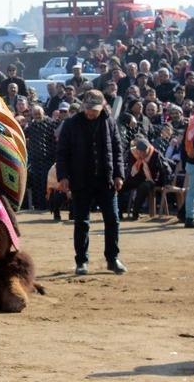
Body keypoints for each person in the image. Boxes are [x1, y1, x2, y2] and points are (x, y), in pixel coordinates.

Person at [56, 90, 127, 276]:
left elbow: (118, 150)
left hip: (106, 179)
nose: (91, 113)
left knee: (112, 220)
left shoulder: (109, 122)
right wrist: (63, 177)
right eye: (88, 109)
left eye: (94, 110)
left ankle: (113, 259)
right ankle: (81, 261)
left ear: (102, 107)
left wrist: (119, 174)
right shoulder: (71, 124)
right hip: (81, 180)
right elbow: (62, 153)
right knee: (81, 222)